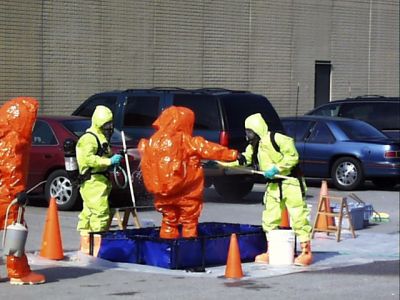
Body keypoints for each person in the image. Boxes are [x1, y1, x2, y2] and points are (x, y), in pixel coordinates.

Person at [138, 106, 238, 239]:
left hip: (163, 192)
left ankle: (168, 250)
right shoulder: (187, 141)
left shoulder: (150, 142)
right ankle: (187, 251)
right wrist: (234, 154)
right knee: (189, 223)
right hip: (187, 192)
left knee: (168, 221)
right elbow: (210, 149)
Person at [226, 113, 312, 266]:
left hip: (290, 183)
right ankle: (271, 251)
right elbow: (244, 159)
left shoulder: (277, 139)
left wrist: (276, 168)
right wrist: (223, 163)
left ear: (257, 130)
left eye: (250, 132)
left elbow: (292, 156)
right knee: (270, 219)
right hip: (273, 185)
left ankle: (306, 252)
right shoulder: (255, 146)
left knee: (299, 217)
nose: (248, 136)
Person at [0, 97, 46, 285]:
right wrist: (19, 193)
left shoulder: (5, 135)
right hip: (7, 196)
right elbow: (12, 168)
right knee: (16, 231)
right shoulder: (14, 140)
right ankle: (18, 272)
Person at [76, 105, 122, 254]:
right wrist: (108, 162)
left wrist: (112, 159)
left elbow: (101, 156)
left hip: (99, 180)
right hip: (93, 181)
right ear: (98, 123)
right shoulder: (89, 139)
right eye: (106, 124)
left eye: (110, 124)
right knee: (100, 213)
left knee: (89, 214)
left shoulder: (100, 137)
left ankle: (86, 248)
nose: (109, 128)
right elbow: (88, 159)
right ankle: (97, 250)